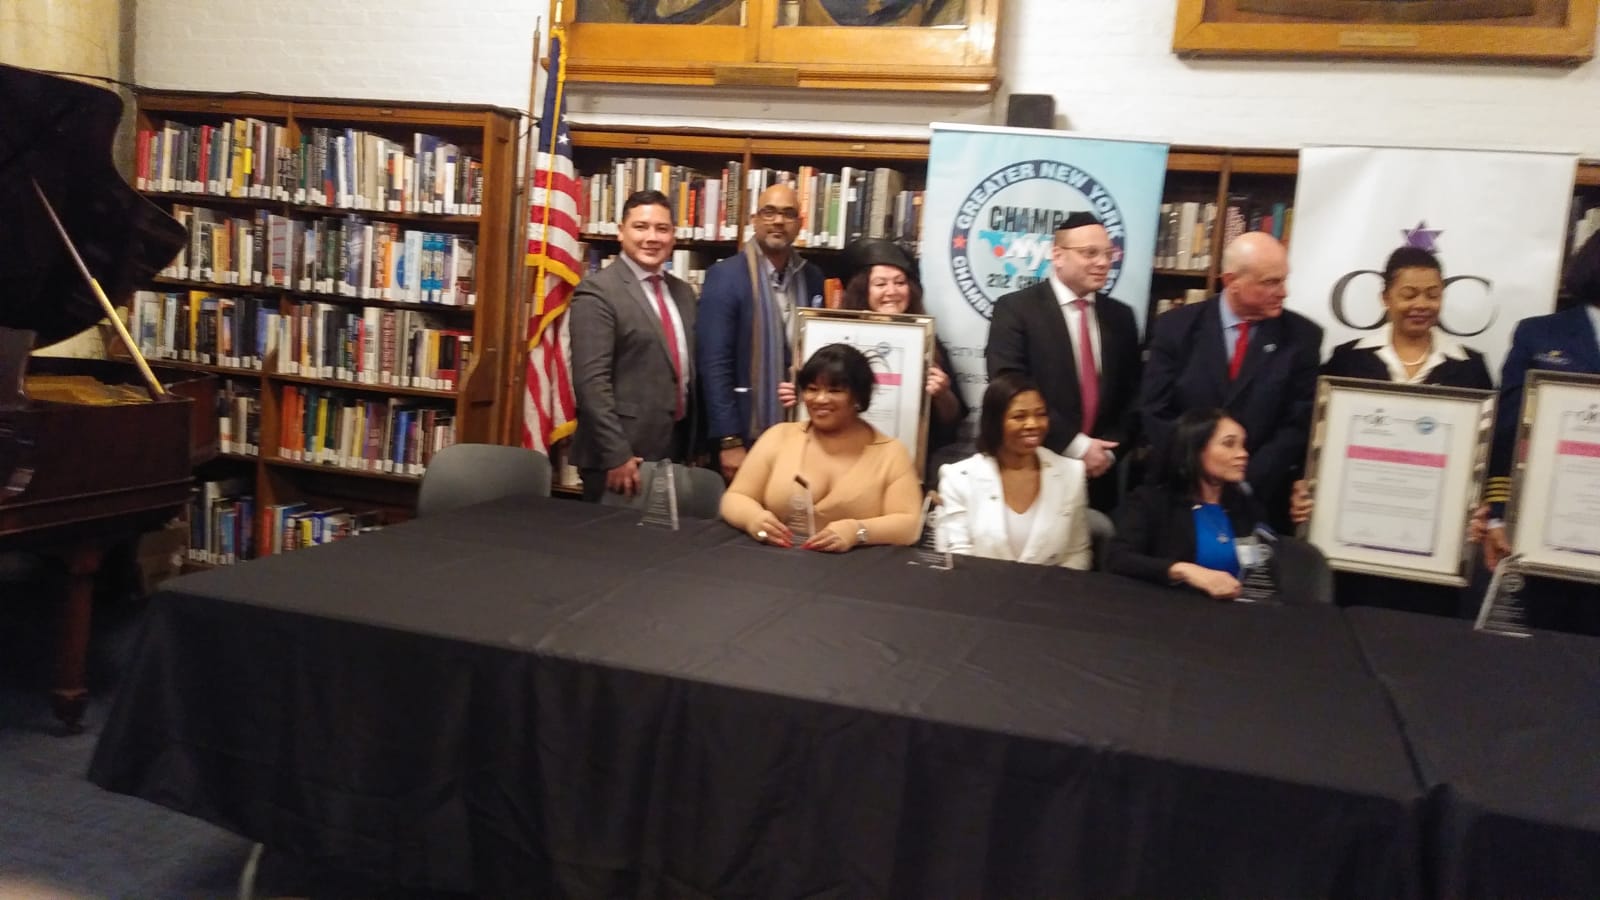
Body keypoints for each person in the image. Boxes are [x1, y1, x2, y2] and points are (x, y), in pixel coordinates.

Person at [1289, 245, 1493, 617]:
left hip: (1435, 550)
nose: (1421, 305)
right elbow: (1316, 443)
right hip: (1354, 545)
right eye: (1409, 294)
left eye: (1432, 295)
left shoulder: (1470, 368)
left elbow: (1483, 455)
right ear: (1386, 298)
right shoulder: (1347, 360)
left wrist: (1477, 508)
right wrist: (1308, 486)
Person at [1140, 231, 1321, 531]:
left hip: (1261, 495)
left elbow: (1298, 421)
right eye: (1270, 282)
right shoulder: (1176, 328)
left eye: (1284, 280)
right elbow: (1154, 409)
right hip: (1180, 492)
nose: (1283, 292)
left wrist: (1244, 475)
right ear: (1231, 281)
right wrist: (1198, 469)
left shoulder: (1302, 338)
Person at [1481, 231, 1600, 635]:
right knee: (1542, 649)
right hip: (1544, 528)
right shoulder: (1539, 334)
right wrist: (1498, 515)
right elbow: (1507, 429)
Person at [986, 211, 1141, 513]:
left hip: (1102, 474)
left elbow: (1134, 394)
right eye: (1090, 253)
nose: (1103, 263)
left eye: (1108, 254)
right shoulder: (1016, 309)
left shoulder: (1121, 317)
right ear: (1057, 255)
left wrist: (1108, 452)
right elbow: (1008, 386)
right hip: (1034, 463)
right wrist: (1078, 447)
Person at [780, 238, 967, 481]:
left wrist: (942, 394)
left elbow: (952, 420)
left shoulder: (928, 343)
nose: (892, 291)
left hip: (902, 467)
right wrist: (798, 396)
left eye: (900, 282)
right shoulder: (829, 336)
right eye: (880, 284)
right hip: (834, 464)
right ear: (862, 289)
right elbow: (813, 401)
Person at [722, 343, 921, 552]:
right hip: (776, 561)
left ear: (858, 397)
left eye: (835, 390)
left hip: (856, 567)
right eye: (812, 389)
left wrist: (857, 531)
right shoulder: (779, 436)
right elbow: (735, 497)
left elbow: (909, 525)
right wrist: (754, 519)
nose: (820, 399)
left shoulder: (891, 453)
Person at [569, 189, 697, 502]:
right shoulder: (598, 292)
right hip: (621, 457)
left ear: (673, 236)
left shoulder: (683, 293)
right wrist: (616, 453)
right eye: (641, 227)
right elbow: (591, 383)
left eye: (662, 229)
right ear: (621, 231)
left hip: (675, 446)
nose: (652, 237)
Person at [695, 183, 827, 484]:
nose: (778, 221)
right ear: (754, 220)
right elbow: (714, 364)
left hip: (801, 433)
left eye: (788, 214)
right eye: (769, 212)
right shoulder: (725, 276)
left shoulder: (812, 277)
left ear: (799, 224)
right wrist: (729, 440)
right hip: (744, 432)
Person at [1104, 409, 1272, 600]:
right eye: (1229, 444)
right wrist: (1182, 570)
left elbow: (1264, 576)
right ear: (1196, 449)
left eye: (1243, 445)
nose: (1243, 454)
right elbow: (1118, 558)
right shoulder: (1152, 501)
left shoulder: (1248, 507)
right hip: (1170, 609)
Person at [936, 373, 1092, 568]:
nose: (1033, 424)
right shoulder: (958, 478)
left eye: (1041, 414)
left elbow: (1077, 552)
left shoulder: (1072, 473)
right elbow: (956, 560)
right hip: (980, 585)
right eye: (1019, 416)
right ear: (995, 422)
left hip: (1052, 586)